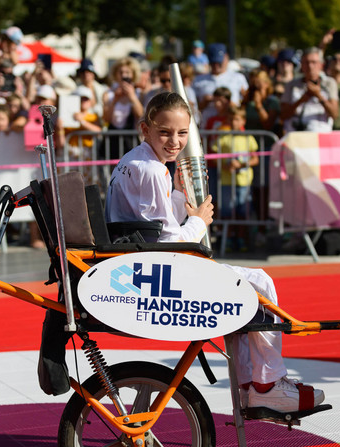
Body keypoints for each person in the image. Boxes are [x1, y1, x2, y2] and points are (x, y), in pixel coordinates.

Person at [105, 91, 325, 413]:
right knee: (259, 284)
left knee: (246, 291)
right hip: (155, 272)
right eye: (164, 132)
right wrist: (198, 221)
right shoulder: (152, 170)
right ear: (145, 129)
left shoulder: (135, 160)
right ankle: (266, 385)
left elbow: (152, 218)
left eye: (182, 133)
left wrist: (179, 195)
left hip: (141, 261)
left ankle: (258, 385)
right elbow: (167, 242)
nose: (174, 141)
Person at [212, 106, 259, 251]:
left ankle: (241, 239)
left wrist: (242, 164)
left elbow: (255, 159)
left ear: (243, 121)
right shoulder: (223, 139)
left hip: (244, 182)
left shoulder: (248, 138)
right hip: (226, 182)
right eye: (231, 119)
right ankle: (229, 239)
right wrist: (226, 166)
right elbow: (214, 159)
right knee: (227, 212)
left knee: (242, 212)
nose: (234, 122)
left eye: (237, 119)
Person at [280, 47, 338, 133]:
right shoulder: (291, 85)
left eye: (313, 62)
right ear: (302, 65)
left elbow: (334, 114)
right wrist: (302, 100)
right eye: (306, 62)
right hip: (296, 134)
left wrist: (318, 95)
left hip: (320, 134)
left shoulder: (329, 83)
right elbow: (283, 115)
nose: (310, 66)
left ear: (321, 65)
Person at [193, 43, 248, 126]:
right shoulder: (198, 80)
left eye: (219, 62)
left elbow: (246, 102)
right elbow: (193, 108)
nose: (216, 65)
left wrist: (230, 104)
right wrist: (205, 102)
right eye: (213, 62)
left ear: (226, 58)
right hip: (207, 127)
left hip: (230, 126)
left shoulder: (238, 78)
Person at [102, 56, 144, 159]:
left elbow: (141, 115)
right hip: (112, 141)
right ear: (116, 74)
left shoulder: (139, 93)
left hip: (131, 141)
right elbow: (106, 118)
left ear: (133, 74)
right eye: (121, 72)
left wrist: (132, 97)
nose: (124, 75)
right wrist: (115, 99)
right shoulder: (108, 94)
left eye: (127, 72)